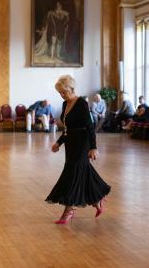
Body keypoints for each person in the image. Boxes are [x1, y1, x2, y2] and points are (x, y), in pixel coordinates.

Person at [46, 75, 111, 224]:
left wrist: (93, 147)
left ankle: (69, 210)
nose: (62, 95)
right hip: (71, 143)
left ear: (71, 89)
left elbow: (90, 126)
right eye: (60, 92)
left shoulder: (81, 103)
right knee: (82, 171)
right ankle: (97, 198)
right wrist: (59, 143)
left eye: (64, 91)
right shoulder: (65, 104)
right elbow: (68, 128)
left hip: (83, 143)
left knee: (72, 173)